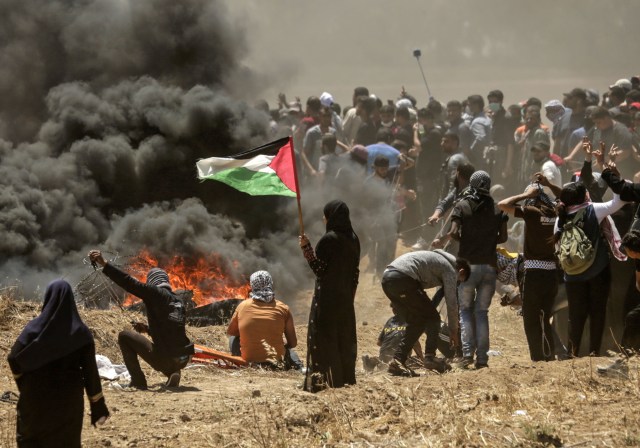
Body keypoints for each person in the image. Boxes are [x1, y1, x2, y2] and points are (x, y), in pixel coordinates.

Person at [7, 280, 109, 447]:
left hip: (34, 398)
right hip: (68, 403)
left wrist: (22, 382)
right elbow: (90, 373)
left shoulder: (34, 328)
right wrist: (98, 405)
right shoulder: (81, 332)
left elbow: (13, 358)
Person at [88, 250, 195, 389]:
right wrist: (147, 330)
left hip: (168, 358)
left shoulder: (155, 293)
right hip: (183, 358)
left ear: (152, 282)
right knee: (166, 350)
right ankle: (173, 372)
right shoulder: (178, 301)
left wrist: (105, 264)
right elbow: (171, 329)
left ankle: (138, 382)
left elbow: (130, 283)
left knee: (124, 336)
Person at [553, 180, 628, 357]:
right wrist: (614, 179)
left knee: (575, 315)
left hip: (572, 276)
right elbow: (619, 202)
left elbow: (558, 249)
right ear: (582, 196)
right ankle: (594, 352)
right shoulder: (593, 209)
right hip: (598, 272)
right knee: (597, 312)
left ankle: (573, 353)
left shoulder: (560, 218)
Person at [446, 170, 509, 368]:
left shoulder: (462, 206)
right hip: (489, 267)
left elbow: (453, 232)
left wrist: (466, 240)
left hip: (466, 267)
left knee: (465, 310)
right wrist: (487, 240)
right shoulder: (498, 209)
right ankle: (482, 359)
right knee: (481, 312)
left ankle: (467, 355)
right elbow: (503, 238)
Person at [299, 200, 360, 392]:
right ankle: (342, 379)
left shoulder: (329, 240)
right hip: (345, 299)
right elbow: (355, 273)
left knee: (325, 338)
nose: (323, 218)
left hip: (327, 299)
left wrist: (306, 249)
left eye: (325, 215)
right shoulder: (354, 239)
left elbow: (319, 270)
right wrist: (350, 295)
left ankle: (322, 381)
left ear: (331, 217)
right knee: (342, 337)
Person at [498, 176, 560, 361]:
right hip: (552, 272)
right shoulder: (555, 212)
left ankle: (538, 357)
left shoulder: (532, 212)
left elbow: (503, 204)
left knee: (531, 318)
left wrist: (525, 194)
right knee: (545, 316)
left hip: (533, 272)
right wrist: (548, 185)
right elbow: (565, 196)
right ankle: (549, 355)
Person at [381, 250, 470, 376]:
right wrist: (453, 331)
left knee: (417, 321)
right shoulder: (450, 270)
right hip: (403, 278)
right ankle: (430, 357)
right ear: (461, 272)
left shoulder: (438, 260)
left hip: (387, 280)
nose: (457, 284)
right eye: (460, 281)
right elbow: (452, 303)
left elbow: (431, 301)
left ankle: (397, 360)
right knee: (433, 318)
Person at [227, 270, 301, 369]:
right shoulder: (283, 308)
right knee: (289, 350)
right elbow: (293, 343)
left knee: (233, 338)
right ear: (271, 284)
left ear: (252, 285)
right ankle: (300, 368)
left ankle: (241, 361)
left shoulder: (243, 306)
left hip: (249, 362)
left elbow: (231, 331)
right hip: (276, 363)